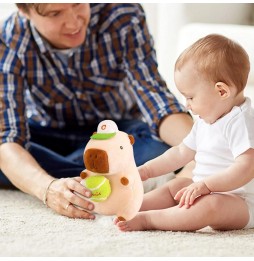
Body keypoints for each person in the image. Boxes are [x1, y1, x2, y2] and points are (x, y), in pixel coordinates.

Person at [0, 4, 193, 219]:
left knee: (159, 144)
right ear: (24, 11)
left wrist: (199, 150)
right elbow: (8, 135)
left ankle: (83, 179)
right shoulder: (9, 37)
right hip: (47, 133)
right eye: (55, 13)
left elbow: (157, 101)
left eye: (78, 4)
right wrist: (47, 188)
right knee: (7, 154)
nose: (74, 22)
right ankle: (119, 178)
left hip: (117, 134)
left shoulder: (123, 16)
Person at [115, 34, 254, 232]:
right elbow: (180, 153)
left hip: (240, 201)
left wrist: (206, 186)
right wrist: (146, 170)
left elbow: (246, 167)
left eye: (190, 97)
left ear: (221, 91)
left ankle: (149, 220)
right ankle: (132, 204)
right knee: (177, 185)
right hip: (202, 188)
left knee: (210, 206)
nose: (186, 105)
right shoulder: (206, 120)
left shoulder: (241, 121)